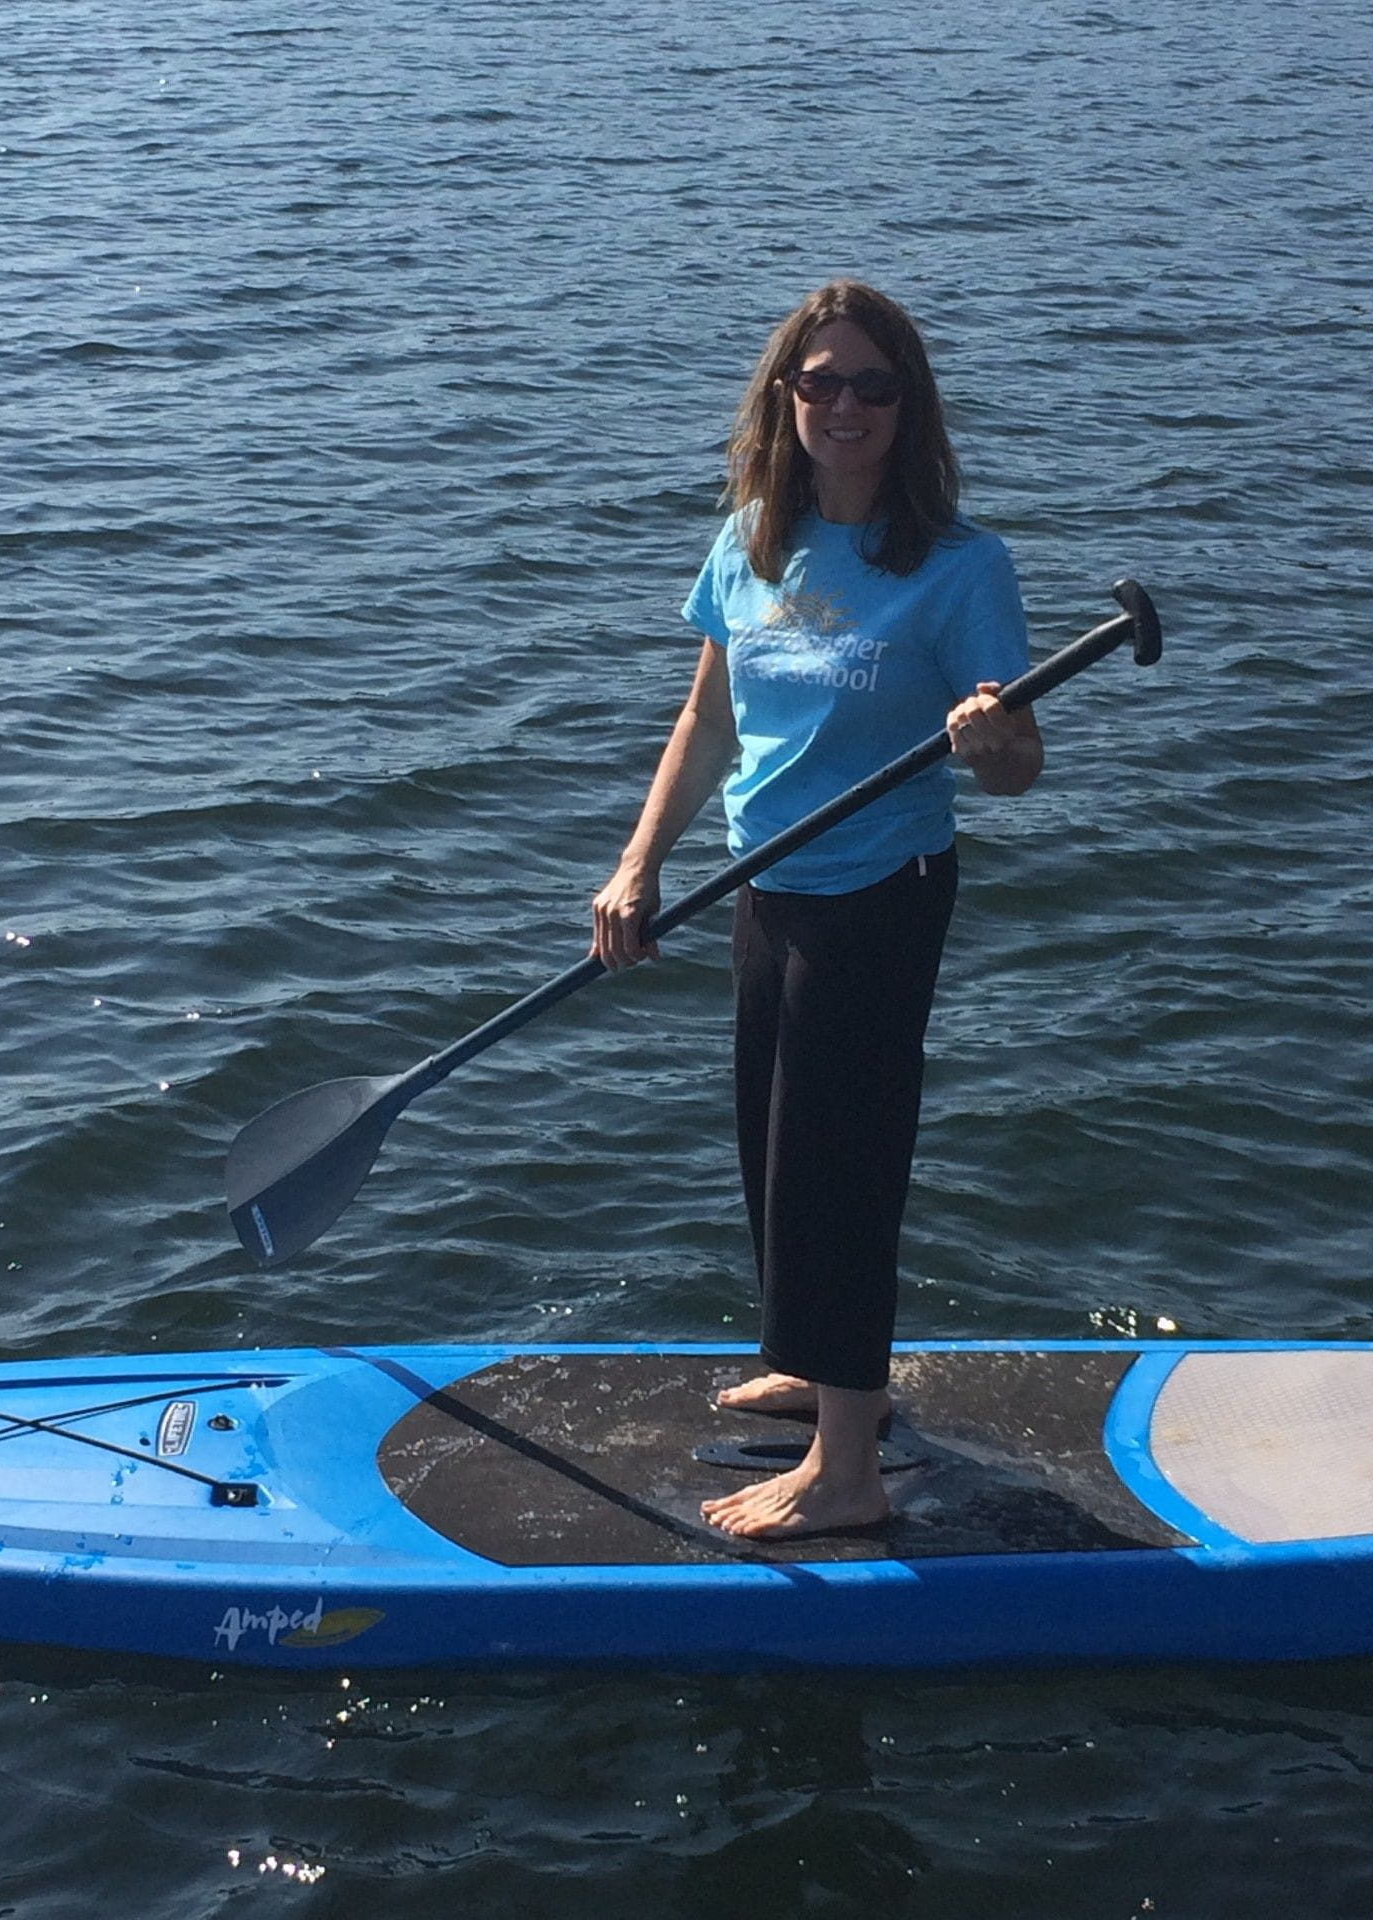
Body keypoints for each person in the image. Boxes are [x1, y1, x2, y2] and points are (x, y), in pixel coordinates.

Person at [591, 280, 1043, 1540]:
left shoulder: (961, 569)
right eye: (820, 382)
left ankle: (848, 1476)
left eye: (873, 386)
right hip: (764, 885)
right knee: (772, 1145)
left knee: (840, 1164)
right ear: (785, 397)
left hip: (880, 897)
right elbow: (707, 718)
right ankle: (817, 1363)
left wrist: (992, 735)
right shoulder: (750, 539)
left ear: (910, 408)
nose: (844, 406)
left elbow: (1017, 767)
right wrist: (640, 866)